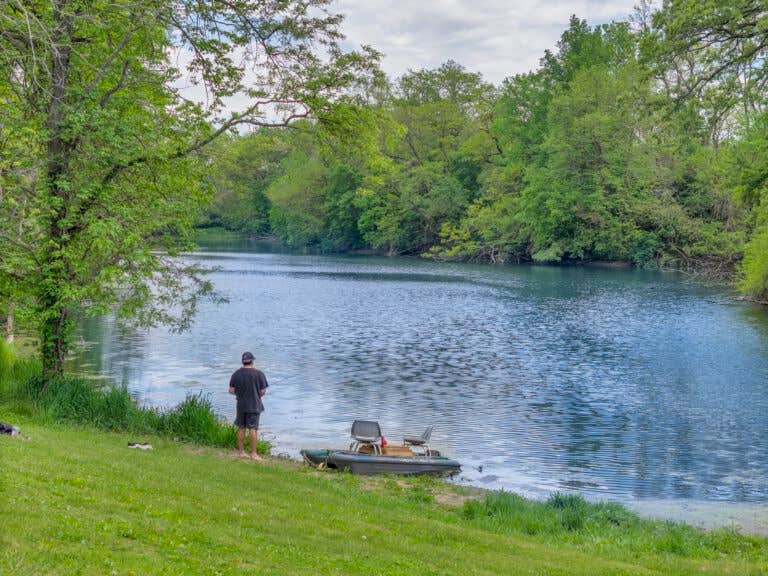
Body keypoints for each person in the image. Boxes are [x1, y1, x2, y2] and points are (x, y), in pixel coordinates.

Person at [228, 351, 269, 460]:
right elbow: (263, 391)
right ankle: (254, 454)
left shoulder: (236, 374)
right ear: (252, 361)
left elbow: (231, 390)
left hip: (241, 405)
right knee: (253, 429)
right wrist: (256, 395)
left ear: (243, 361)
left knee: (241, 428)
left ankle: (241, 452)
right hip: (254, 405)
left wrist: (239, 393)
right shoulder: (259, 374)